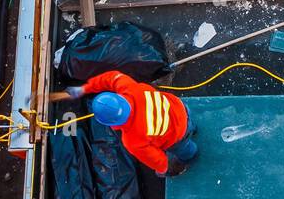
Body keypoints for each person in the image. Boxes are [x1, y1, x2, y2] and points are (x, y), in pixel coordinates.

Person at [66, 71, 198, 176]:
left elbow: (157, 159)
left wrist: (162, 169)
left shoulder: (133, 140)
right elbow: (111, 77)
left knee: (186, 150)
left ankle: (192, 156)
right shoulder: (129, 87)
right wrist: (85, 88)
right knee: (191, 124)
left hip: (178, 136)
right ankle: (194, 128)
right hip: (179, 108)